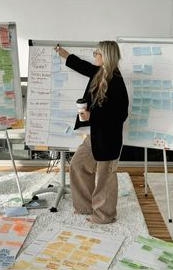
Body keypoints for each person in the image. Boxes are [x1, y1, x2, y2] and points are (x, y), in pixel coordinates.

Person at [55, 41, 129, 224]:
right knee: (78, 165)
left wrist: (92, 116)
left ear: (106, 57)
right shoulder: (98, 73)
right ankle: (85, 206)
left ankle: (105, 215)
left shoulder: (116, 81)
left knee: (105, 178)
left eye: (97, 53)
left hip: (109, 139)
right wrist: (64, 54)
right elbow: (82, 66)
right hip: (95, 135)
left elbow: (120, 115)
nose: (94, 55)